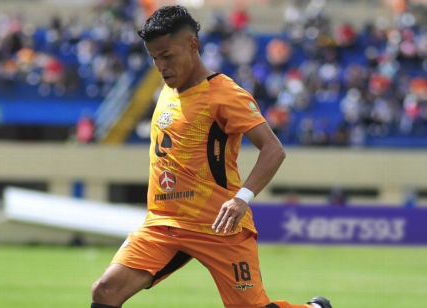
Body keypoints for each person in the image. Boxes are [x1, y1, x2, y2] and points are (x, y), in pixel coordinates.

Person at [91, 6, 332, 308]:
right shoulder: (168, 90)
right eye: (154, 58)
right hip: (163, 223)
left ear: (192, 46)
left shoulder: (225, 94)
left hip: (217, 226)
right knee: (105, 291)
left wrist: (241, 198)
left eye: (167, 56)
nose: (160, 66)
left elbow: (273, 149)